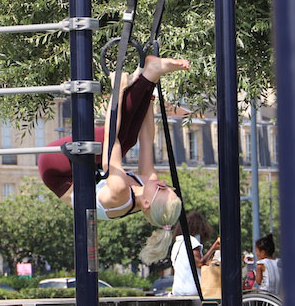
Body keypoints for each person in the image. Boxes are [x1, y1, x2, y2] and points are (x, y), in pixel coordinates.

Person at [37, 55, 189, 229]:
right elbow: (147, 139)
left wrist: (118, 90)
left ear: (146, 203)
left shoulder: (119, 193)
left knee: (122, 140)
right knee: (129, 140)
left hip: (58, 170)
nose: (162, 183)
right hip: (86, 169)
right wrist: (149, 93)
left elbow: (111, 139)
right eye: (168, 186)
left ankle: (151, 71)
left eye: (162, 189)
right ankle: (151, 73)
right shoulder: (148, 183)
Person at [172, 211, 217, 296]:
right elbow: (199, 263)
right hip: (192, 289)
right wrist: (213, 248)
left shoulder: (176, 244)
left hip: (177, 290)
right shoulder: (191, 241)